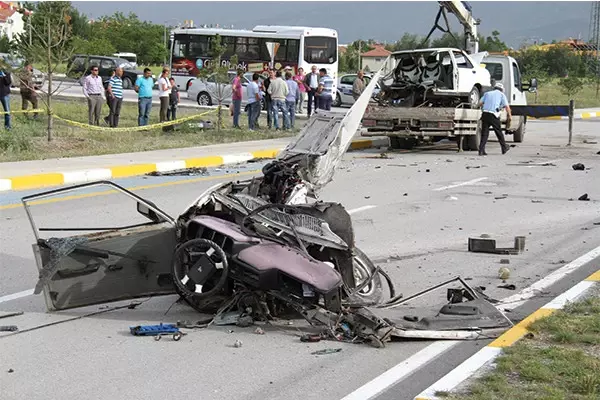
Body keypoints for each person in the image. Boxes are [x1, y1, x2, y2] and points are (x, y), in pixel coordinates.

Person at [477, 82, 512, 156]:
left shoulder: (487, 93)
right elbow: (507, 107)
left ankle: (481, 150)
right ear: (502, 89)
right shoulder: (502, 95)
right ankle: (504, 148)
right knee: (498, 132)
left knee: (484, 133)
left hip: (485, 114)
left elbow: (480, 103)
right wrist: (509, 116)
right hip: (494, 115)